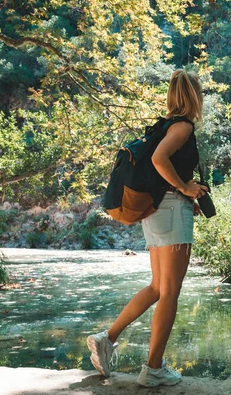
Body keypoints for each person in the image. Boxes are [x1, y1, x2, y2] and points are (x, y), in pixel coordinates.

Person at [86, 69, 209, 387]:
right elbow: (158, 160)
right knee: (170, 293)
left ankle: (107, 338)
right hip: (170, 212)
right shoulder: (182, 127)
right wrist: (184, 188)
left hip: (157, 213)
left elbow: (162, 164)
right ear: (194, 95)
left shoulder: (166, 125)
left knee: (157, 288)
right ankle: (153, 368)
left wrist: (185, 190)